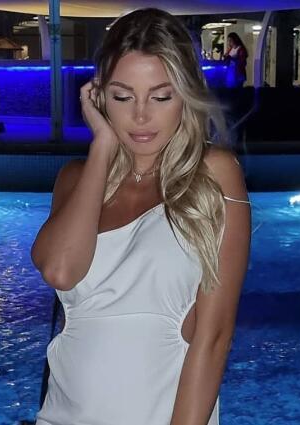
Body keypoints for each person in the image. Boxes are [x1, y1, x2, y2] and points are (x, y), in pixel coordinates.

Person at [31, 8, 251, 425]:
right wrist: (102, 147)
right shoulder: (76, 179)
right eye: (123, 96)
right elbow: (60, 270)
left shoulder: (214, 174)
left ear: (185, 94)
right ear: (98, 96)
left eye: (161, 96)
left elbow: (214, 336)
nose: (141, 116)